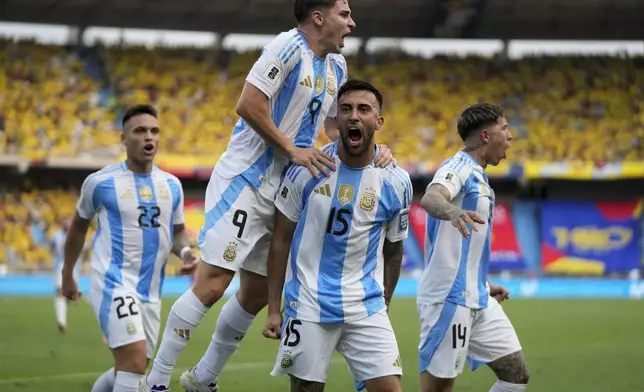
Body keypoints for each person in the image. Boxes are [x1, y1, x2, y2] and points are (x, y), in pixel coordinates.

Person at [140, 2, 395, 392]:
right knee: (212, 283)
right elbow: (248, 104)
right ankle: (155, 382)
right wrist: (292, 149)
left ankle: (203, 378)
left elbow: (332, 125)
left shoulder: (336, 67)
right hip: (247, 178)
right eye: (344, 13)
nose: (351, 22)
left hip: (285, 188)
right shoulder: (286, 48)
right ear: (319, 17)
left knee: (257, 292)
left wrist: (373, 148)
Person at [262, 79, 411, 392]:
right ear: (337, 119)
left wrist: (384, 303)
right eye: (346, 109)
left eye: (363, 109)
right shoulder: (307, 170)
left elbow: (394, 252)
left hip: (366, 305)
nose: (354, 115)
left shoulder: (396, 182)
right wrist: (274, 308)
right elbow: (280, 241)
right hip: (308, 303)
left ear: (378, 121)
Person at [62, 104, 198, 392]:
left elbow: (176, 235)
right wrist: (67, 274)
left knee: (133, 366)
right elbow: (78, 227)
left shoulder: (172, 186)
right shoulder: (100, 182)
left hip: (150, 291)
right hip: (113, 282)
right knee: (134, 361)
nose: (149, 137)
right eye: (140, 131)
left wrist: (186, 253)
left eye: (154, 131)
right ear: (124, 138)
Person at [417, 103, 530, 392]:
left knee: (515, 374)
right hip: (449, 298)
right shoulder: (459, 167)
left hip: (477, 295)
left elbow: (467, 247)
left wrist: (485, 283)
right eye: (504, 129)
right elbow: (431, 199)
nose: (510, 137)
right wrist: (454, 213)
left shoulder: (480, 177)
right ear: (485, 135)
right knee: (439, 387)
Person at [51, 217, 82, 334]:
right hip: (61, 266)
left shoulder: (76, 235)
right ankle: (61, 321)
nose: (67, 224)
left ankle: (73, 295)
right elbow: (52, 248)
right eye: (65, 221)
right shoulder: (56, 235)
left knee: (66, 296)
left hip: (75, 267)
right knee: (60, 292)